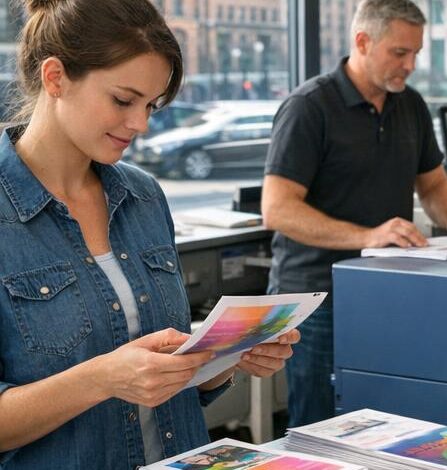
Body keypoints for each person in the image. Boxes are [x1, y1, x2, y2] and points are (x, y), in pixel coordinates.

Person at [0, 0, 298, 468]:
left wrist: (222, 358)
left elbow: (166, 382)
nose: (140, 124)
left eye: (150, 105)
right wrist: (102, 378)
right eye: (123, 100)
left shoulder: (143, 196)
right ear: (55, 77)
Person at [261, 0, 447, 427]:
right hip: (316, 298)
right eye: (400, 53)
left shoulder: (410, 105)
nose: (411, 64)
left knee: (384, 420)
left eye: (416, 54)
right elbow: (277, 209)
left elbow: (433, 183)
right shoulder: (309, 106)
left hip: (386, 290)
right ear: (362, 42)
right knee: (320, 426)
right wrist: (367, 236)